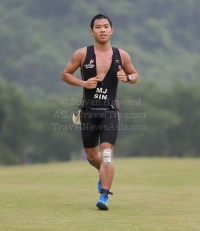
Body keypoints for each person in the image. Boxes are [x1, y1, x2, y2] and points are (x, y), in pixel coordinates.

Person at [62, 14, 138, 210]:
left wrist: (127, 77)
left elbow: (135, 75)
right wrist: (83, 83)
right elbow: (65, 74)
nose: (102, 30)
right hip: (88, 111)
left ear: (112, 31)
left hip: (110, 111)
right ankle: (103, 173)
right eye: (98, 27)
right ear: (92, 31)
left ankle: (104, 196)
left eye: (106, 27)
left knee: (106, 154)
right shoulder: (82, 54)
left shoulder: (122, 55)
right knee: (91, 156)